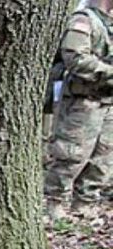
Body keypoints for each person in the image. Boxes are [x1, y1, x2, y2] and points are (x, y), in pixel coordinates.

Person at [45, 0, 113, 218]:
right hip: (82, 102)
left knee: (103, 158)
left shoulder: (109, 24)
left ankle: (85, 203)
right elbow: (75, 59)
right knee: (70, 153)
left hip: (107, 101)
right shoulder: (83, 20)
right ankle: (55, 203)